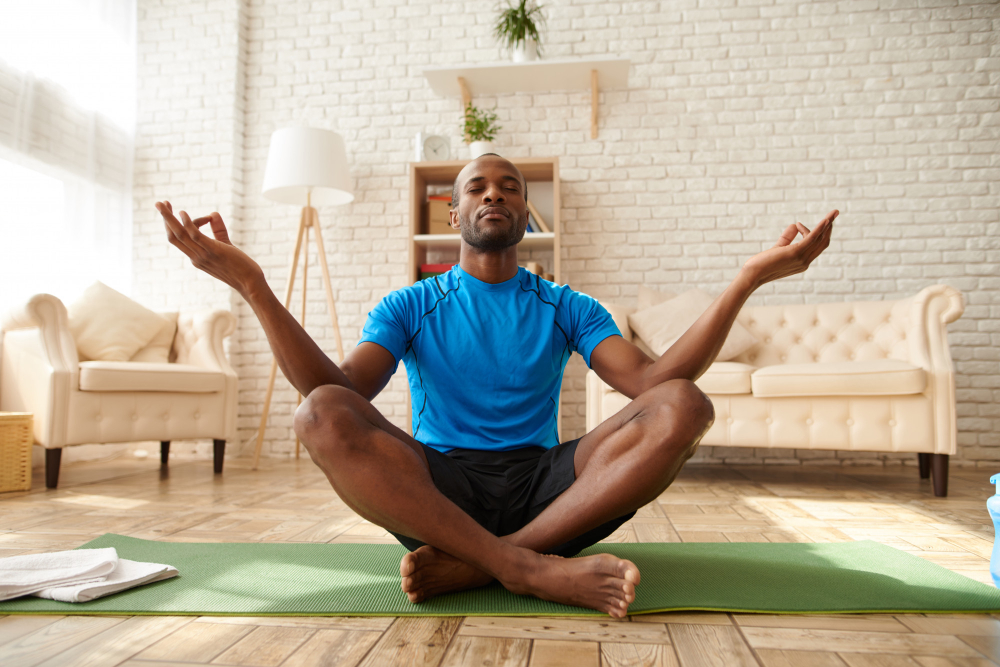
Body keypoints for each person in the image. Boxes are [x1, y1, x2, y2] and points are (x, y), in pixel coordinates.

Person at [156, 153, 835, 617]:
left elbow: (655, 383)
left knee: (685, 403)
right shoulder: (409, 305)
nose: (494, 195)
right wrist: (253, 283)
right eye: (478, 187)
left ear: (525, 213)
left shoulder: (566, 304)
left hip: (551, 487)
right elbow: (337, 391)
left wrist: (747, 279)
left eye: (509, 187)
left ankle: (486, 563)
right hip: (439, 494)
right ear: (453, 214)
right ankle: (532, 568)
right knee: (319, 413)